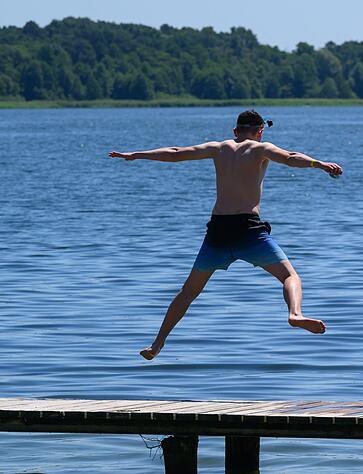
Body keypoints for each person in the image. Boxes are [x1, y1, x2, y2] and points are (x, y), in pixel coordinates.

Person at [109, 110, 343, 360]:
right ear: (260, 132)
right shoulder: (261, 149)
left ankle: (156, 344)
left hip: (218, 232)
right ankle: (295, 313)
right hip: (248, 231)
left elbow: (176, 153)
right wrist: (318, 164)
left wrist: (136, 155)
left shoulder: (218, 148)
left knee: (188, 293)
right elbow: (290, 157)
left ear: (235, 131)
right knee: (289, 276)